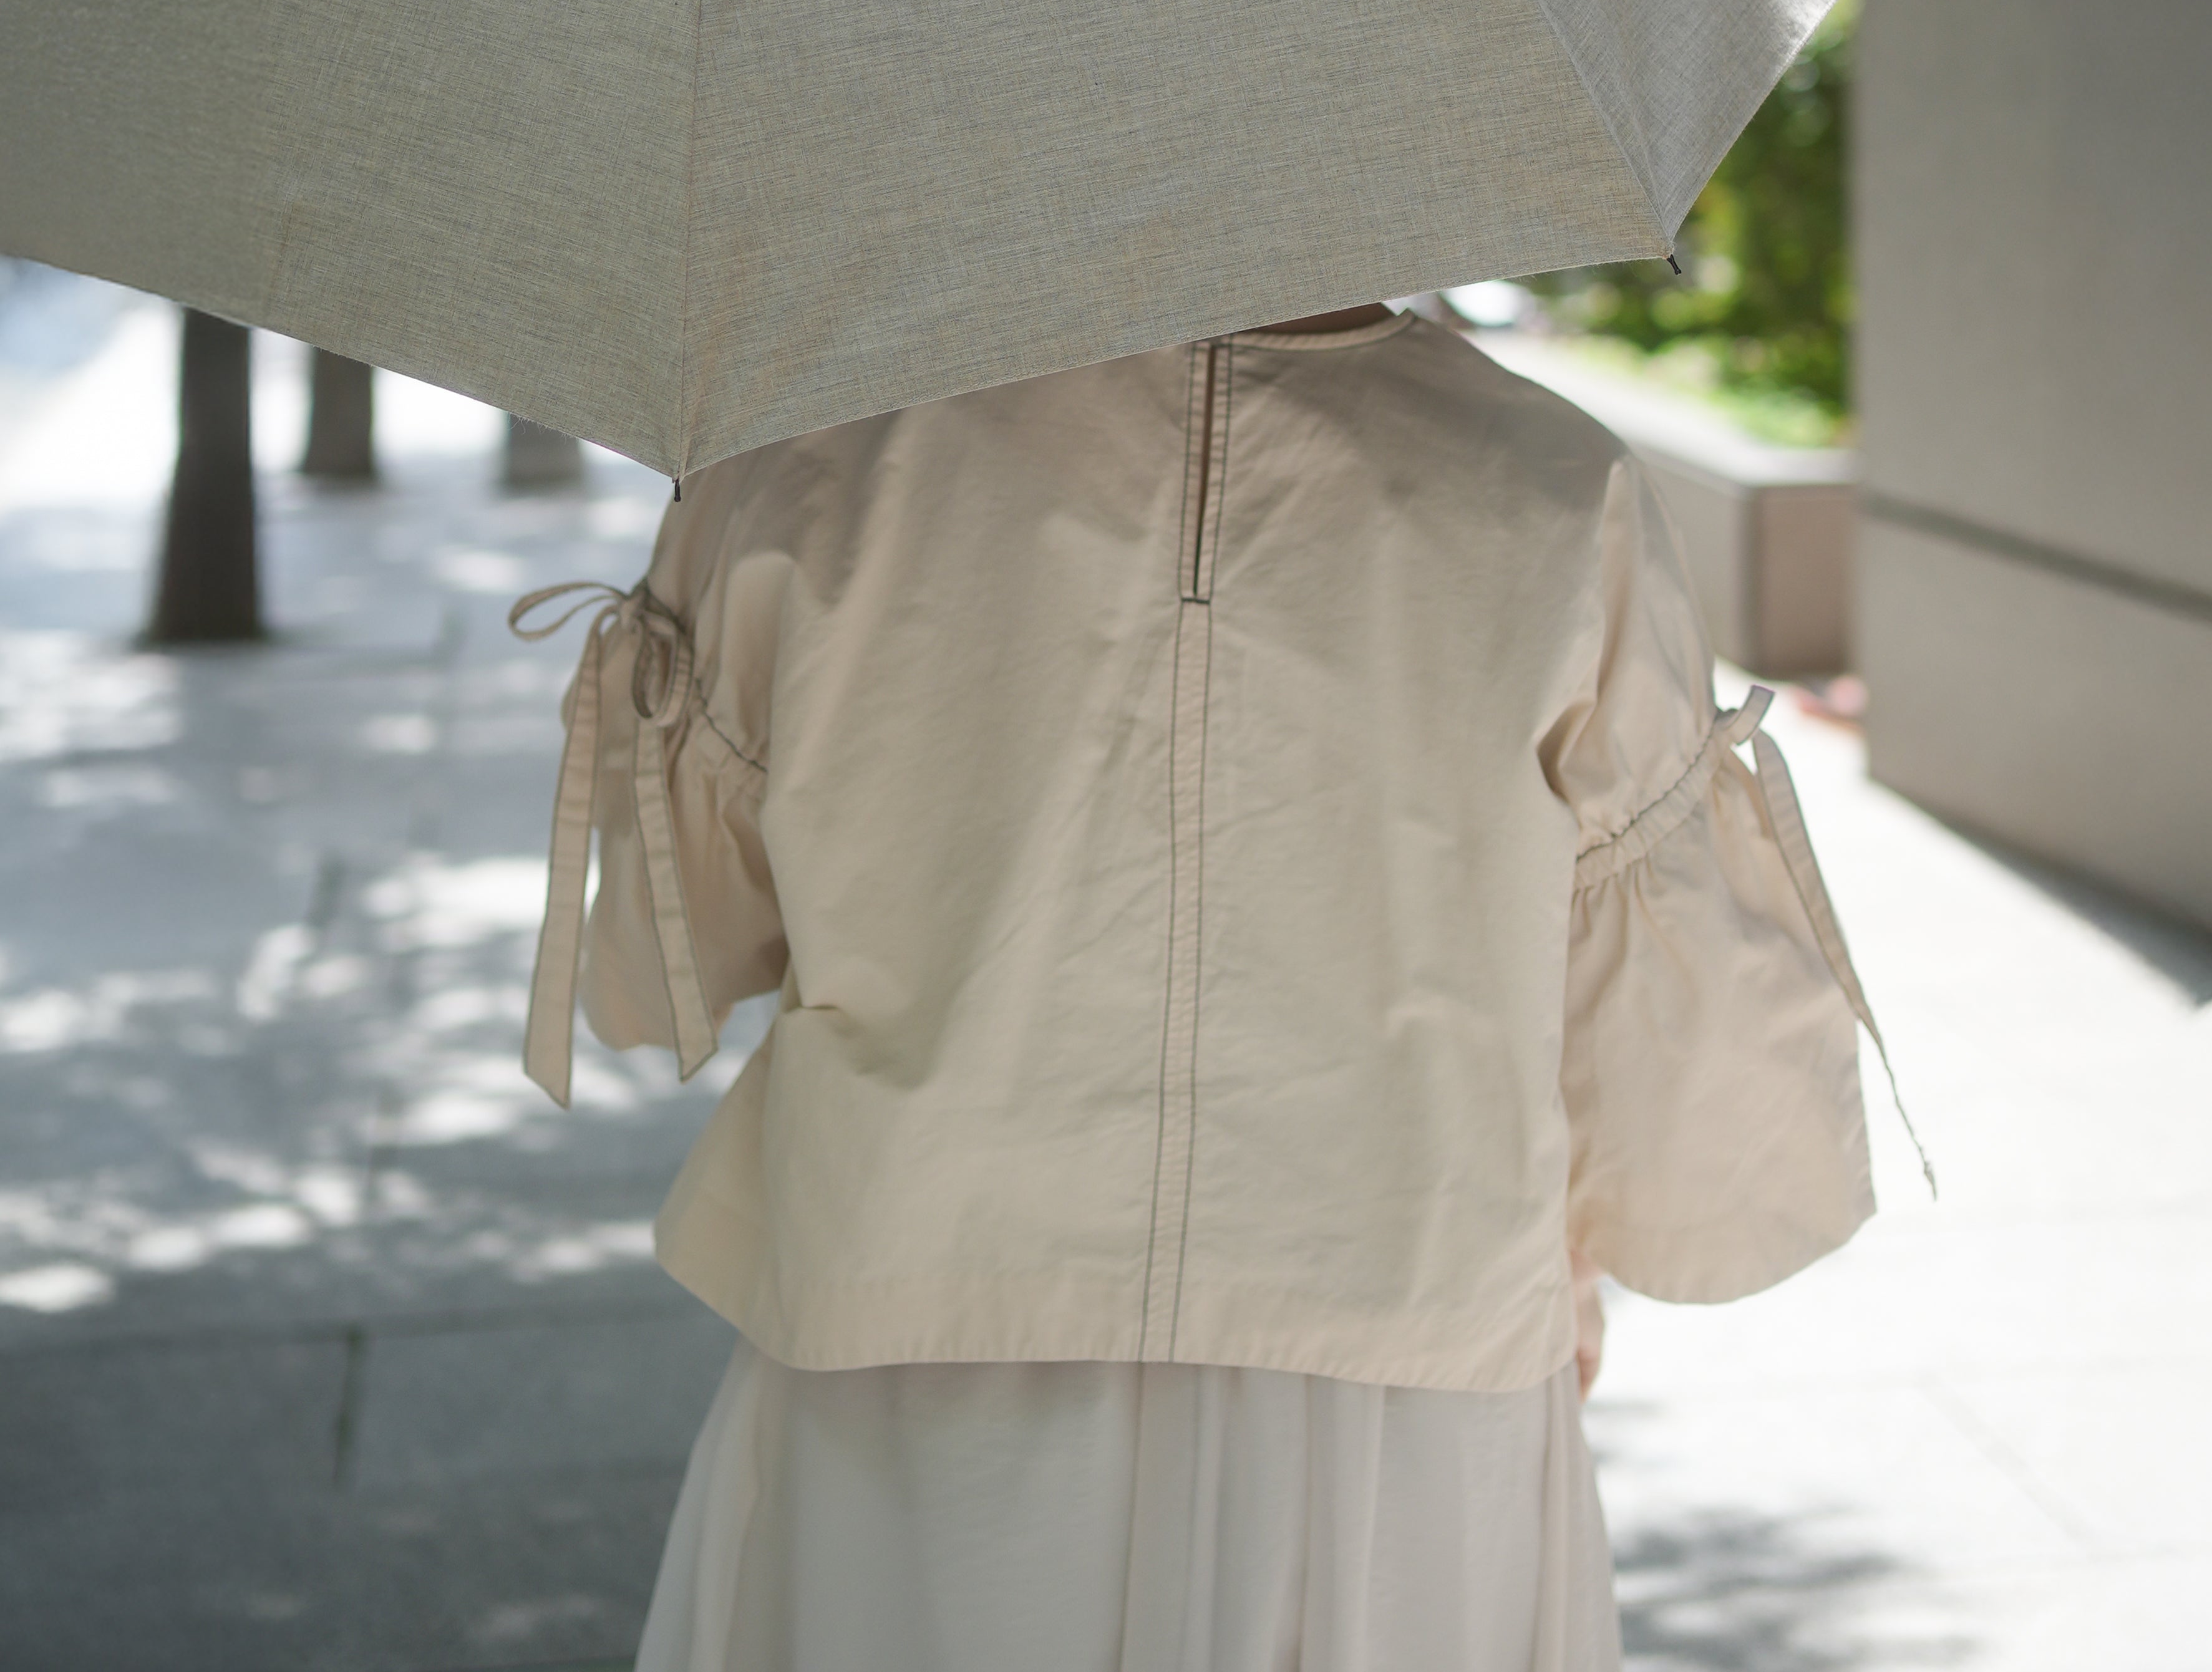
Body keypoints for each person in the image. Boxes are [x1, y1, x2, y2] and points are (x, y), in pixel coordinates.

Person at [515, 303, 1888, 1671]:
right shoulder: (1548, 481)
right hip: (1404, 1367)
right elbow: (1694, 1121)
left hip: (921, 1345)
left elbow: (662, 956)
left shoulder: (814, 463)